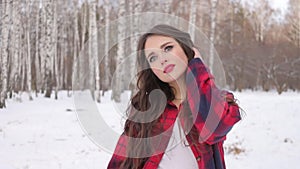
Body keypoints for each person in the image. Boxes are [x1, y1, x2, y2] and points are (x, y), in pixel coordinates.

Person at [107, 24, 241, 169]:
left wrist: (197, 67)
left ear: (186, 48)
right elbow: (120, 163)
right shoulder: (145, 108)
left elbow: (214, 128)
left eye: (168, 48)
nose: (162, 60)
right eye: (153, 58)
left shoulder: (217, 99)